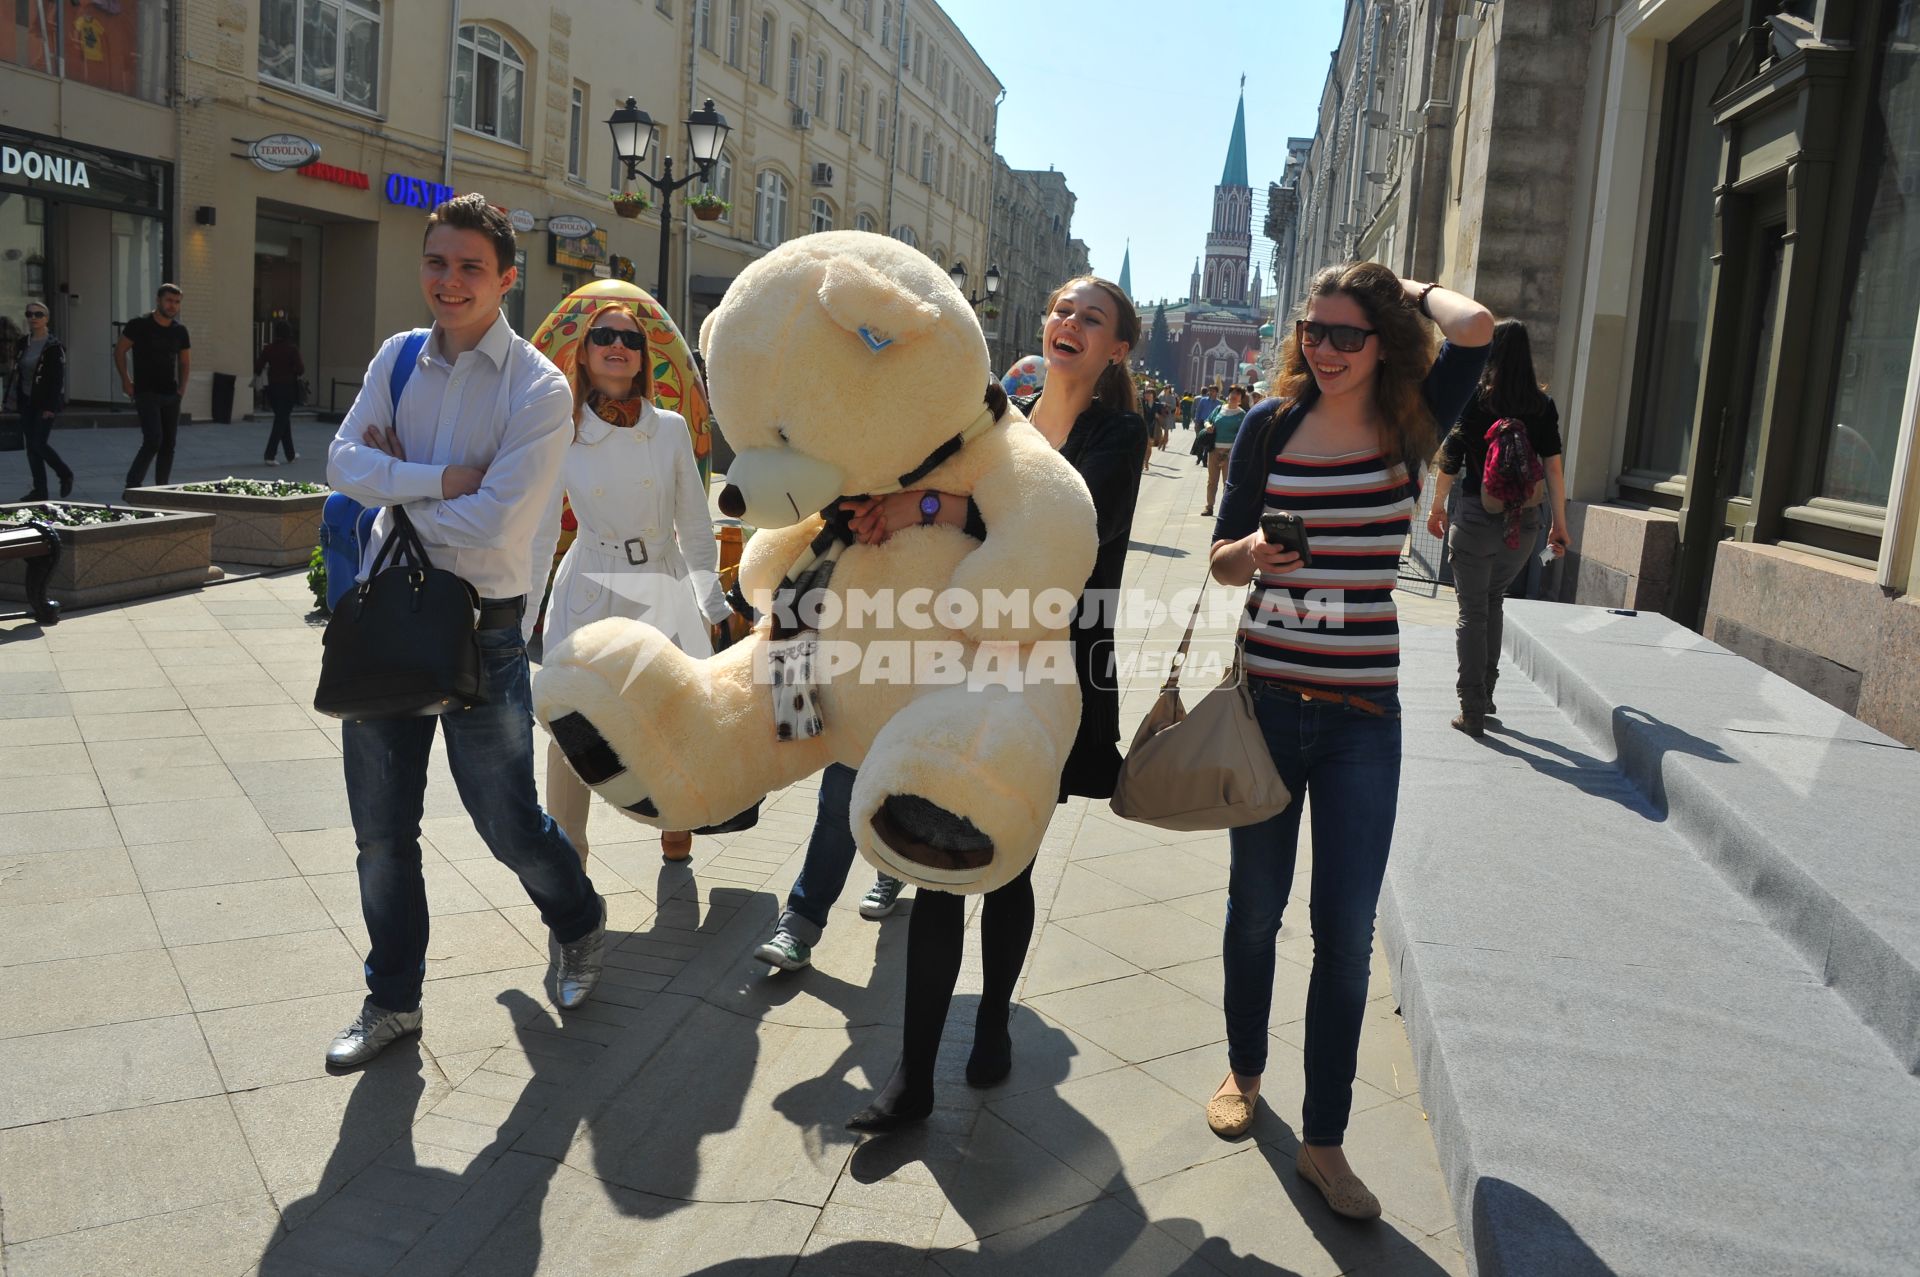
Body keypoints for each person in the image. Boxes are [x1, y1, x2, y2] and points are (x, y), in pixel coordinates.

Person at [1207, 263, 1492, 1219]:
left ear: (1383, 342)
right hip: (1267, 705)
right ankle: (1245, 1070)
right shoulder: (1268, 426)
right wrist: (1252, 555)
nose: (1322, 350)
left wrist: (1404, 287)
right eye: (1312, 332)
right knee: (1255, 909)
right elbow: (1218, 556)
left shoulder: (1412, 417)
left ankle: (1324, 1141)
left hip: (1364, 716)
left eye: (1344, 334)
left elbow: (1479, 324)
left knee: (1345, 935)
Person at [846, 275, 1149, 1131]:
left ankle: (991, 1019)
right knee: (939, 859)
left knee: (1008, 850)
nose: (1068, 323)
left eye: (1091, 318)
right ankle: (911, 1076)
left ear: (1117, 348)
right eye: (1059, 309)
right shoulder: (999, 418)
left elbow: (1063, 537)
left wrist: (938, 502)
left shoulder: (1118, 434)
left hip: (1053, 668)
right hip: (968, 654)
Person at [322, 194, 607, 1069]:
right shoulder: (397, 359)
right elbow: (340, 463)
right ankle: (392, 998)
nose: (450, 283)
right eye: (437, 264)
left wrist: (394, 484)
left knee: (508, 821)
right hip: (386, 617)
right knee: (381, 830)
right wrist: (441, 476)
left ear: (507, 278)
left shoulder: (539, 388)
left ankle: (579, 919)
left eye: (470, 268)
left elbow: (496, 524)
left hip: (482, 629)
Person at [540, 302, 734, 866]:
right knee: (567, 717)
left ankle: (676, 821)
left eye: (630, 337)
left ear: (644, 357)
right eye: (603, 335)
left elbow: (696, 525)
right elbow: (541, 526)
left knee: (674, 714)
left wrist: (713, 605)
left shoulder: (669, 429)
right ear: (585, 351)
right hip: (592, 585)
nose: (617, 344)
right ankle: (568, 850)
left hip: (662, 579)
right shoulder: (563, 431)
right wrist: (520, 609)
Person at [1425, 318, 1568, 736]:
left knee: (1472, 611)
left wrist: (1437, 506)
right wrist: (1559, 524)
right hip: (1523, 524)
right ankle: (1486, 694)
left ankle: (1471, 709)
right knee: (1494, 601)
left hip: (1474, 516)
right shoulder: (1543, 406)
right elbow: (1554, 470)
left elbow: (1451, 457)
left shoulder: (1475, 398)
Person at [115, 283, 191, 490]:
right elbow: (120, 351)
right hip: (146, 391)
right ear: (158, 300)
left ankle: (162, 488)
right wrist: (126, 379)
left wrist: (182, 389)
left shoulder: (180, 331)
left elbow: (185, 361)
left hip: (171, 393)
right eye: (169, 300)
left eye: (176, 302)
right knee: (153, 439)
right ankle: (133, 484)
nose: (172, 306)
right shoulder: (138, 325)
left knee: (169, 444)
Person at [7, 301, 74, 501]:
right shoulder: (23, 343)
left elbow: (56, 379)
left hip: (44, 403)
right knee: (32, 448)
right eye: (29, 314)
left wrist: (50, 407)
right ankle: (40, 490)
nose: (33, 318)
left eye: (38, 314)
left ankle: (64, 473)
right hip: (26, 400)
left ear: (46, 318)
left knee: (38, 443)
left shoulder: (53, 346)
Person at [256, 319, 305, 467]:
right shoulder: (292, 349)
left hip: (272, 389)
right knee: (281, 421)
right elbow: (301, 369)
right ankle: (269, 454)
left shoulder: (269, 349)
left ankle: (290, 454)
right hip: (288, 388)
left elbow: (258, 367)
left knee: (283, 419)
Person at [1201, 384, 1249, 517]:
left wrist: (1230, 453)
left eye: (1237, 393)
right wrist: (1208, 426)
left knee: (1227, 482)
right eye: (1232, 392)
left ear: (1240, 398)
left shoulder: (1242, 415)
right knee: (1212, 480)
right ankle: (1209, 506)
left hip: (1230, 453)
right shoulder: (1218, 409)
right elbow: (1207, 420)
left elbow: (1242, 435)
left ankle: (1225, 509)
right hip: (1214, 450)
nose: (1234, 395)